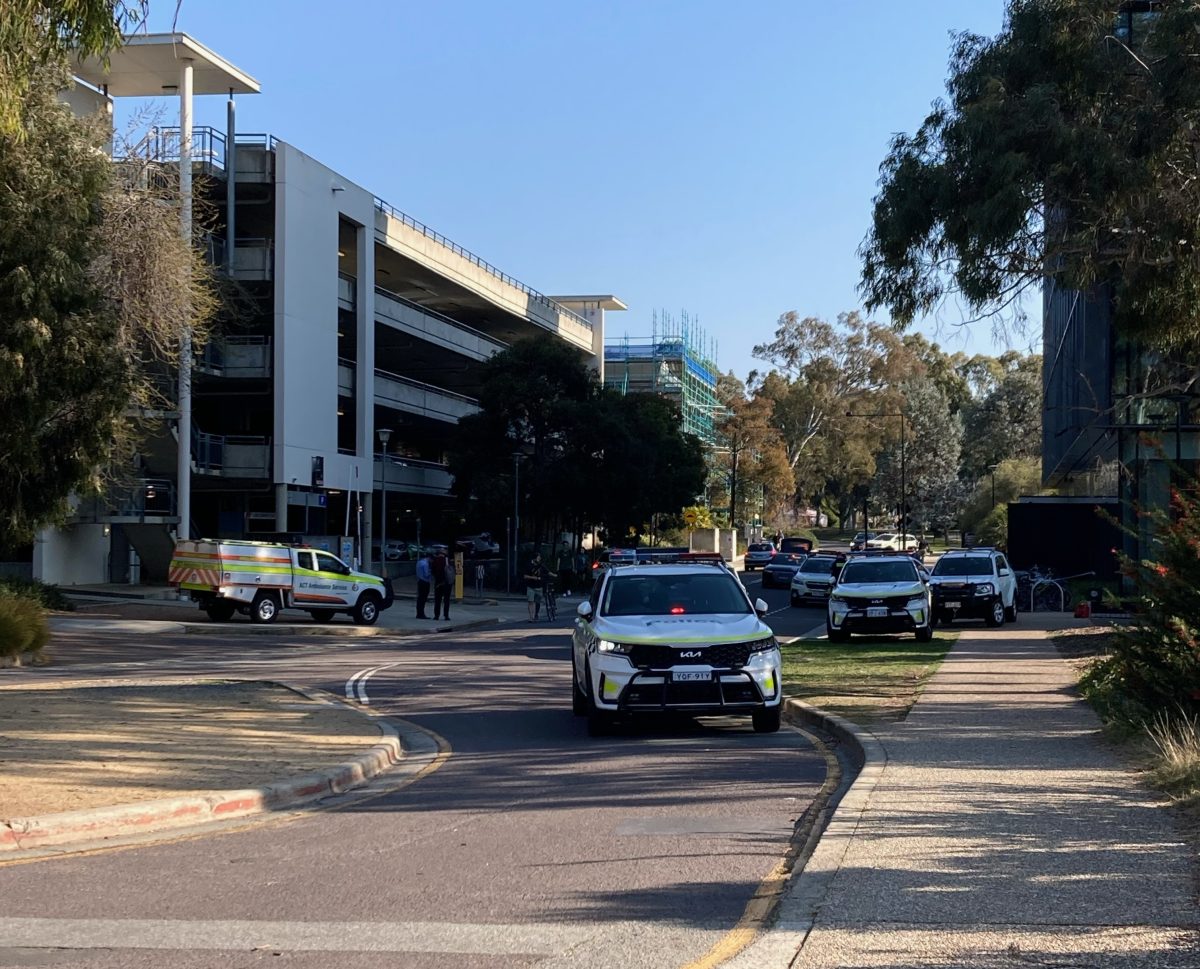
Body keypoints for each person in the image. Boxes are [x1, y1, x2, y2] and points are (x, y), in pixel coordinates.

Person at [523, 553, 556, 621]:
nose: (539, 559)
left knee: (537, 602)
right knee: (531, 601)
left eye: (539, 558)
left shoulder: (541, 565)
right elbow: (525, 576)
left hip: (539, 586)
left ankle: (536, 614)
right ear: (534, 559)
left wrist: (554, 575)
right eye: (538, 558)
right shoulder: (529, 565)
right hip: (531, 586)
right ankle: (531, 617)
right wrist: (533, 578)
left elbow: (547, 572)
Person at [431, 545, 453, 621]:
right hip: (447, 583)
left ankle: (436, 615)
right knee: (446, 600)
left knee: (437, 600)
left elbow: (433, 571)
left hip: (438, 583)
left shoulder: (435, 560)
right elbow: (450, 571)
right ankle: (446, 616)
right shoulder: (447, 560)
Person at [415, 549, 432, 619]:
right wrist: (431, 571)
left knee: (420, 598)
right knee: (423, 598)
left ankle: (419, 613)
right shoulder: (426, 564)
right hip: (425, 582)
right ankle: (421, 614)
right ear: (429, 558)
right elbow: (426, 574)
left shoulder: (419, 562)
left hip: (419, 581)